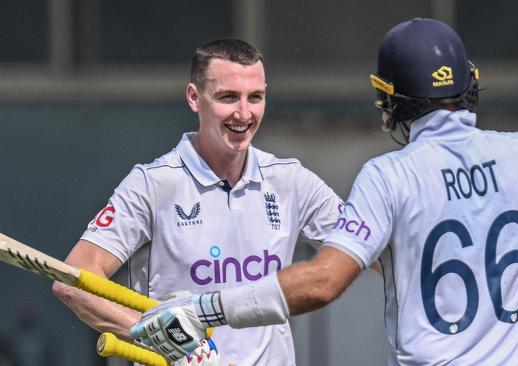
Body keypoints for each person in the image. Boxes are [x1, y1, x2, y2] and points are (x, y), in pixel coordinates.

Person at [130, 18, 518, 365]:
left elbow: (322, 282)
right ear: (469, 82)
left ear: (392, 101)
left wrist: (205, 310)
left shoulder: (390, 176)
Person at [51, 38, 343, 365]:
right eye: (228, 97)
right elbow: (73, 280)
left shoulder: (291, 181)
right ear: (194, 97)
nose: (244, 113)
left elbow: (372, 248)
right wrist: (160, 337)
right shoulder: (152, 183)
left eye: (255, 97)